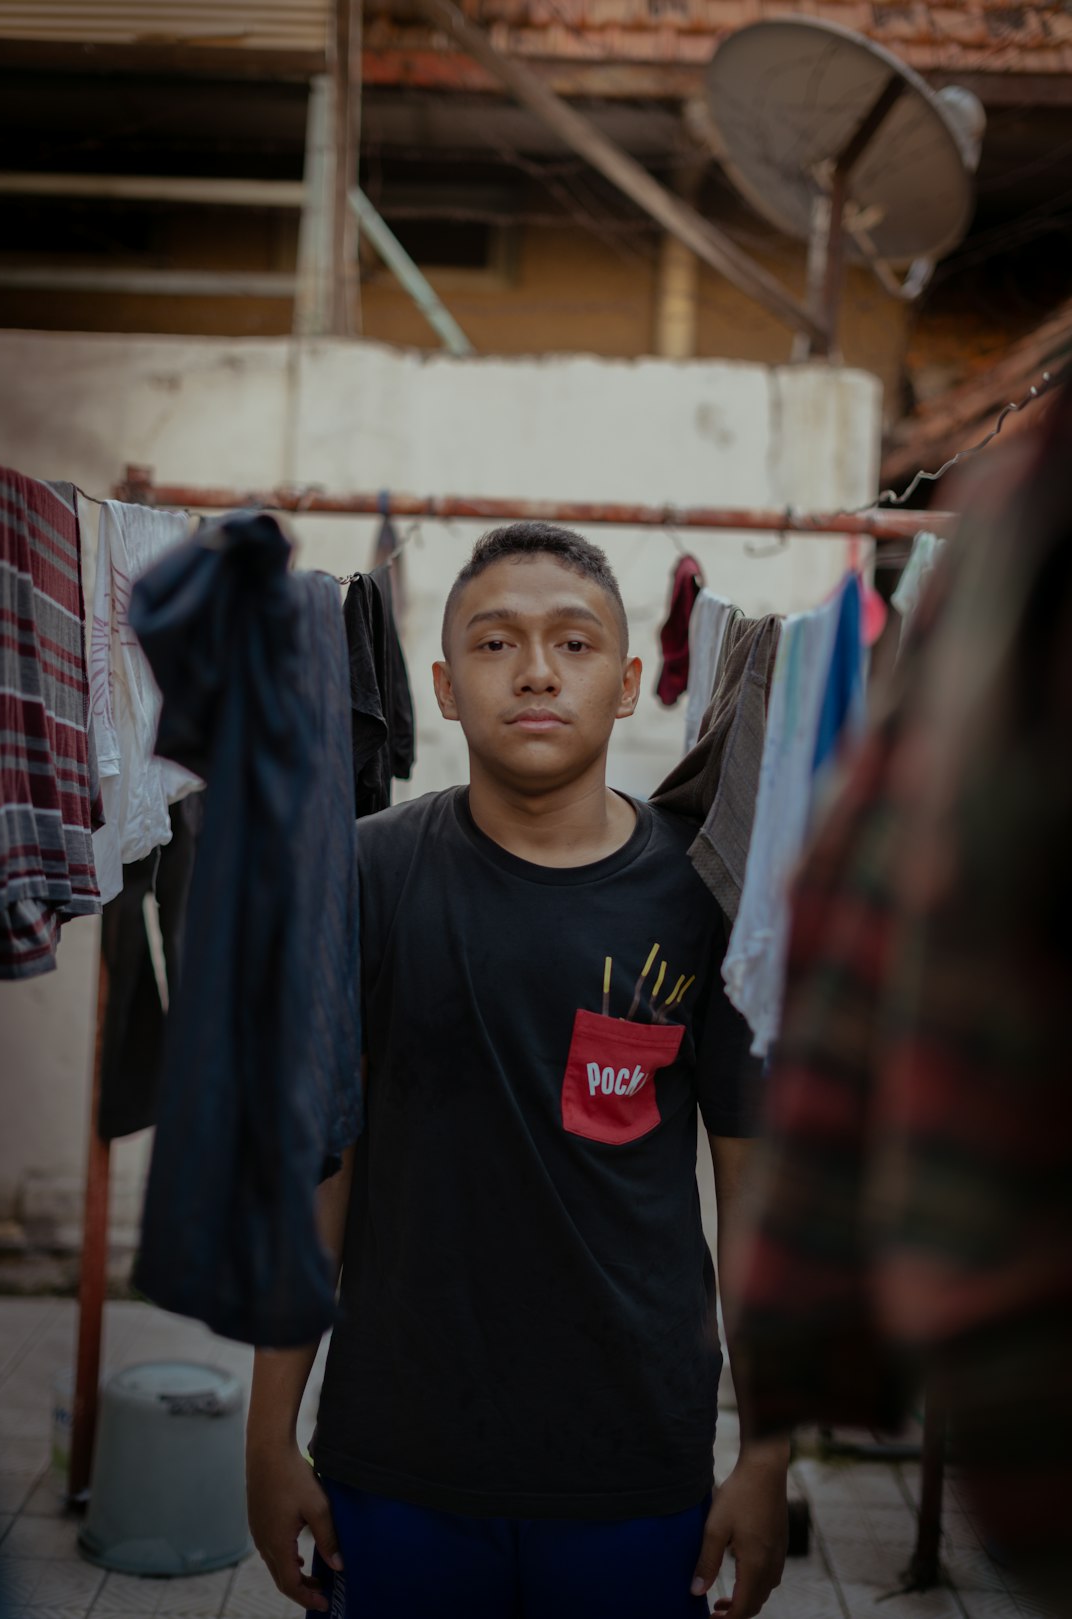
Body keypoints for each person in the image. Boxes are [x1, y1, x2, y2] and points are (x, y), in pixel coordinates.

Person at [245, 524, 789, 1619]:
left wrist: (766, 1454)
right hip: (398, 1455)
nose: (537, 670)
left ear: (629, 682)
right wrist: (267, 1433)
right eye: (496, 643)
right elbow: (320, 1165)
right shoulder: (366, 872)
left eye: (573, 643)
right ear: (442, 688)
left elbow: (754, 1193)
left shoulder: (703, 900)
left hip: (635, 1461)